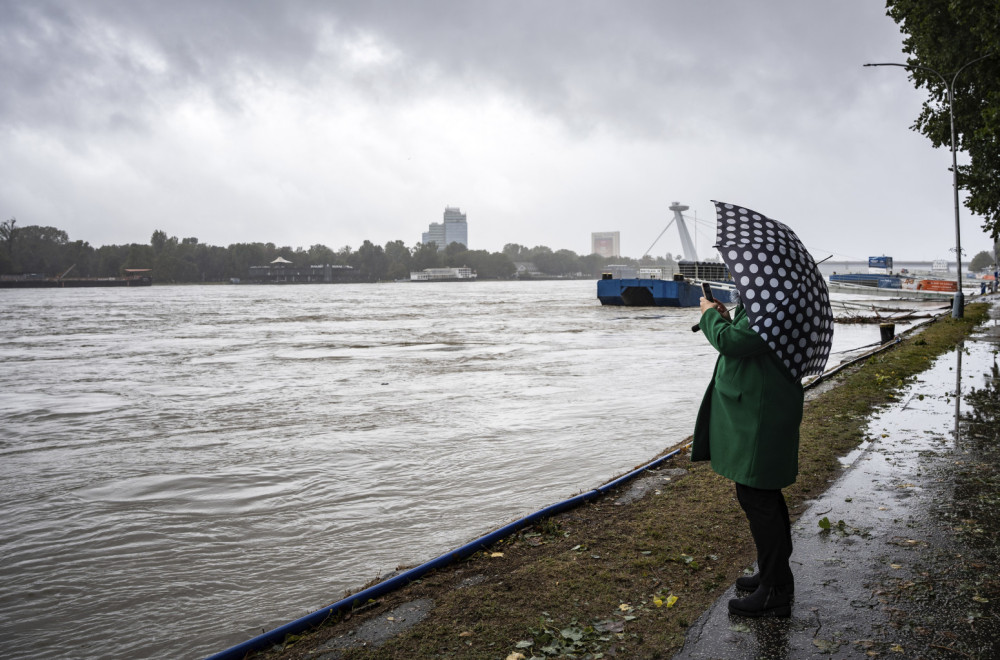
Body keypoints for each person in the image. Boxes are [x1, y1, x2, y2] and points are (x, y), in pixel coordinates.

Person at [691, 294, 804, 618]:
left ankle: (776, 591)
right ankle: (776, 576)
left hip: (760, 414)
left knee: (757, 495)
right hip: (760, 409)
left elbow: (731, 343)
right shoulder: (769, 304)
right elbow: (745, 337)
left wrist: (709, 316)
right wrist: (726, 316)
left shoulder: (772, 305)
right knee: (763, 494)